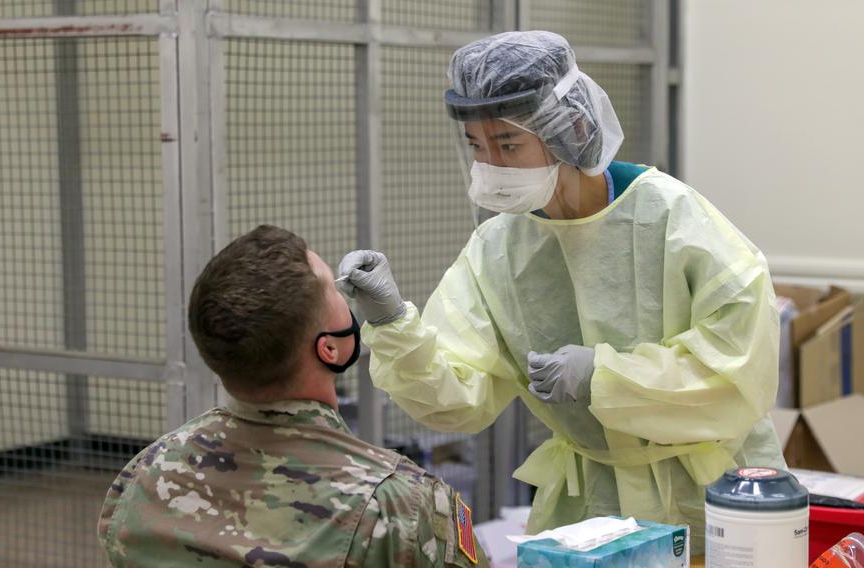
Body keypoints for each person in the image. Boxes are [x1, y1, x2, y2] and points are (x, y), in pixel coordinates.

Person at [337, 31, 785, 554]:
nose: (491, 165)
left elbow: (739, 371)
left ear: (570, 128)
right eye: (477, 146)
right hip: (589, 511)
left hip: (713, 501)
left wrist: (605, 376)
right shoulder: (499, 248)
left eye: (508, 144)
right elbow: (457, 402)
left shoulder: (673, 219)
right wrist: (391, 322)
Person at [97, 225, 487, 567]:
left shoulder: (146, 473)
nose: (344, 295)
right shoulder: (397, 504)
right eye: (333, 291)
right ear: (328, 348)